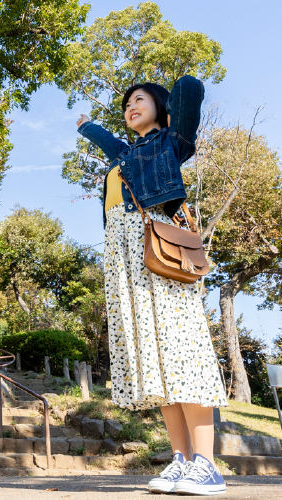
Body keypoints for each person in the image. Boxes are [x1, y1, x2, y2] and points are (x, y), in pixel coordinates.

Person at [75, 75, 229, 496]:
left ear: (160, 107)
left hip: (157, 253)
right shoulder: (127, 154)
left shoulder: (170, 143)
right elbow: (112, 146)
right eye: (126, 103)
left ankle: (207, 465)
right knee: (157, 363)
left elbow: (188, 101)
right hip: (125, 262)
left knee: (183, 355)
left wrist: (180, 82)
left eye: (139, 100)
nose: (130, 106)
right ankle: (182, 461)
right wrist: (88, 128)